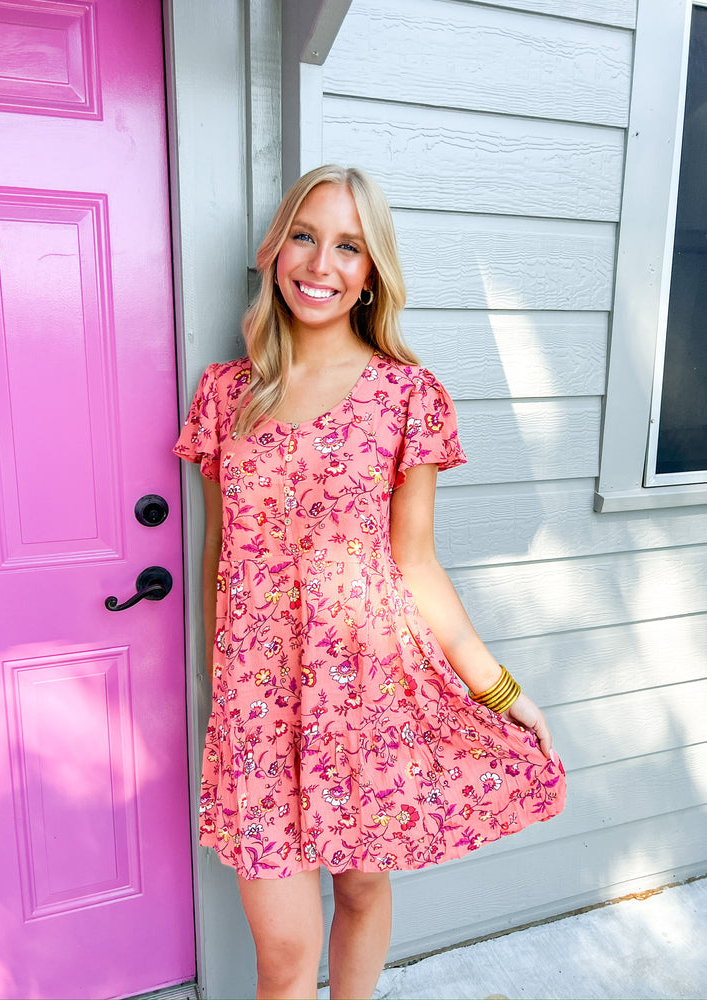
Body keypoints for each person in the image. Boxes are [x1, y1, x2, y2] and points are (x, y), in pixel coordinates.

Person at [174, 164, 566, 1000]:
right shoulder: (226, 394)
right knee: (281, 956)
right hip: (256, 702)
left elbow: (416, 562)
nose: (321, 263)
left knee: (359, 885)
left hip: (368, 692)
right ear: (273, 251)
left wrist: (499, 692)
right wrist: (221, 678)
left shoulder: (405, 396)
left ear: (370, 272)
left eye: (348, 246)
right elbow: (217, 555)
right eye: (305, 237)